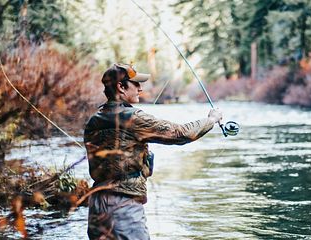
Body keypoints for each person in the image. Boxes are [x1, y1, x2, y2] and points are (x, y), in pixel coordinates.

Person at [84, 63, 222, 240]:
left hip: (96, 206)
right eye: (136, 84)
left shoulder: (94, 120)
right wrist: (211, 119)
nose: (140, 88)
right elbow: (181, 134)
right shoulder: (133, 118)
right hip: (123, 207)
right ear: (120, 86)